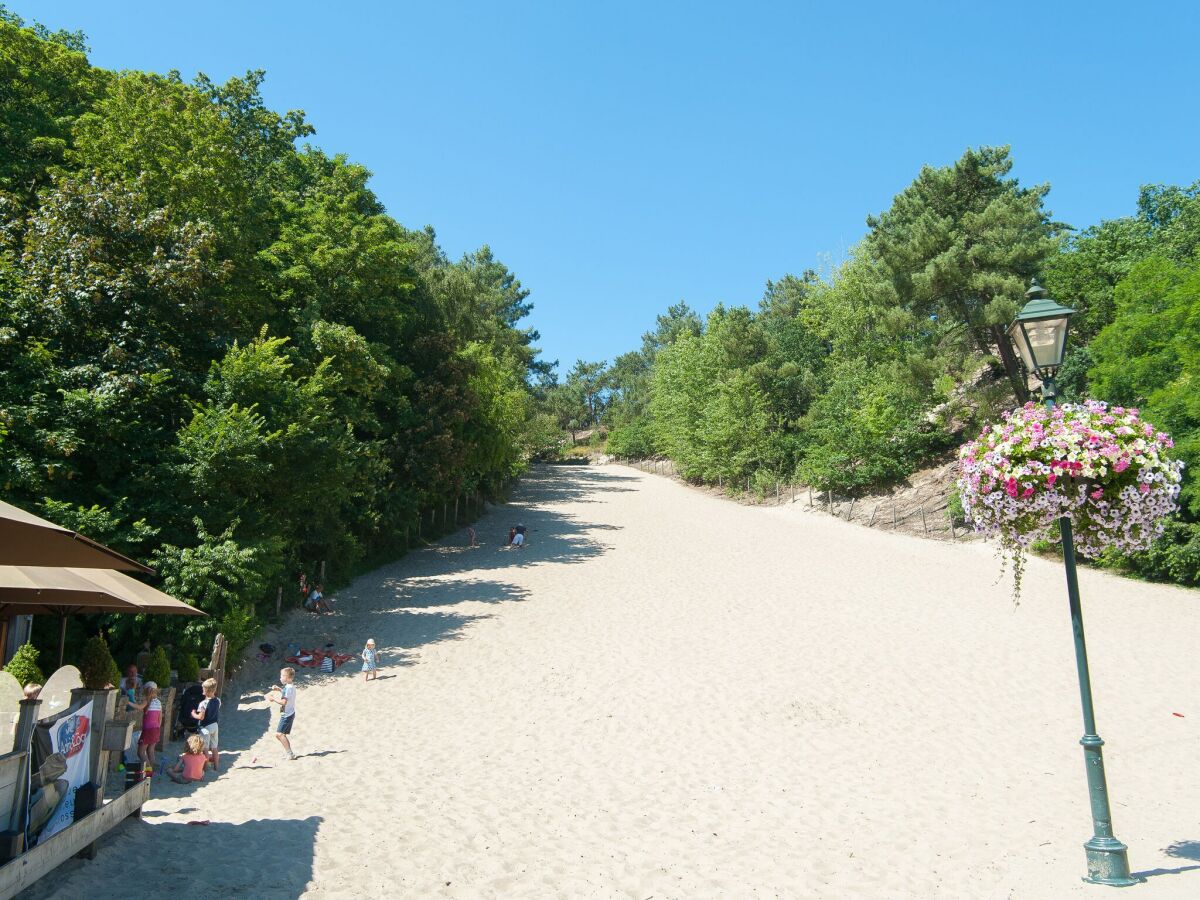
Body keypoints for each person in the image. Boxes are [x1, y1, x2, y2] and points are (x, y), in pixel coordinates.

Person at [128, 682, 162, 773]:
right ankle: (153, 769)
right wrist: (158, 728)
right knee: (150, 750)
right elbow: (160, 717)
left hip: (148, 730)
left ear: (146, 691)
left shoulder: (147, 700)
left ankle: (149, 769)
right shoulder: (158, 702)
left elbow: (139, 707)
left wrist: (128, 702)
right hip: (156, 729)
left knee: (140, 752)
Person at [191, 678, 221, 771]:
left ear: (206, 690)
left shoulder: (203, 703)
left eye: (203, 688)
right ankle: (216, 767)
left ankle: (206, 767)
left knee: (205, 748)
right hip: (215, 725)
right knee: (214, 747)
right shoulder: (218, 700)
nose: (202, 690)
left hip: (206, 727)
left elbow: (201, 717)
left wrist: (193, 714)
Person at [268, 667, 297, 760]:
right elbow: (287, 694)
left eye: (283, 676)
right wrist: (279, 689)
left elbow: (283, 702)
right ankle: (289, 753)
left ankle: (290, 754)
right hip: (289, 713)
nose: (280, 678)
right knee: (281, 734)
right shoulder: (290, 686)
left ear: (288, 678)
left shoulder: (288, 688)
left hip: (287, 715)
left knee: (279, 734)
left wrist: (273, 699)